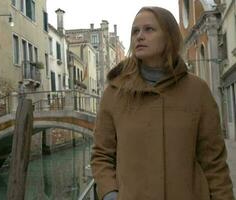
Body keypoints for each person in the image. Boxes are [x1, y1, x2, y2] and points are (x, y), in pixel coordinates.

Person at [91, 6, 235, 200]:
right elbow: (101, 155)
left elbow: (214, 163)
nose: (139, 36)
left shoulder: (198, 91)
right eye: (135, 31)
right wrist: (110, 193)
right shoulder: (114, 93)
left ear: (169, 36)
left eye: (149, 29)